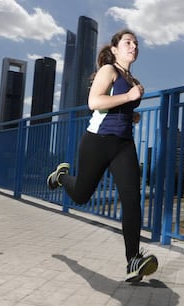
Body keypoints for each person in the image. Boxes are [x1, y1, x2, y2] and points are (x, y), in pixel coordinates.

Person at [47, 29, 158, 282]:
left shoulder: (134, 80)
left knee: (131, 198)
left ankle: (133, 260)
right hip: (97, 141)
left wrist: (132, 112)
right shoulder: (109, 70)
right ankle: (62, 177)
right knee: (82, 195)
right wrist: (129, 97)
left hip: (123, 144)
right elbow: (94, 102)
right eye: (128, 42)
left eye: (136, 43)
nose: (134, 46)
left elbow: (117, 105)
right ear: (115, 48)